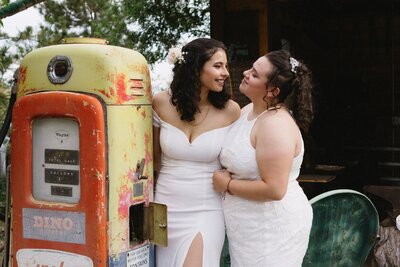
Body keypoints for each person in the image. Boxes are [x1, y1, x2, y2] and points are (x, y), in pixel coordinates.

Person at [212, 49, 314, 266]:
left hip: (271, 228)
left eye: (255, 75)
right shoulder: (249, 110)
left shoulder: (275, 124)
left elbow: (274, 189)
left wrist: (228, 184)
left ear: (272, 90)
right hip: (249, 227)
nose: (246, 73)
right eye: (251, 68)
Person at [152, 38, 240, 267]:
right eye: (218, 66)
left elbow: (239, 159)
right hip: (165, 207)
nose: (226, 73)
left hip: (207, 207)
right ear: (195, 67)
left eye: (226, 66)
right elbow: (153, 159)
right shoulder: (160, 103)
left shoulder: (231, 111)